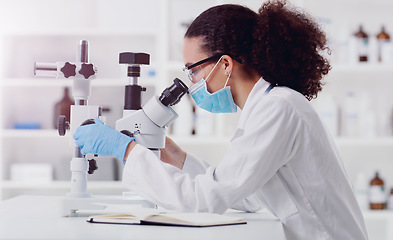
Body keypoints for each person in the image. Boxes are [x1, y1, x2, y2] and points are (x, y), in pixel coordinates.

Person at [73, 1, 368, 239]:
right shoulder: (268, 106)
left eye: (193, 70)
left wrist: (125, 150)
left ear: (225, 64)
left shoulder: (278, 109)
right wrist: (174, 155)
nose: (191, 83)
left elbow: (205, 200)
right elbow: (246, 194)